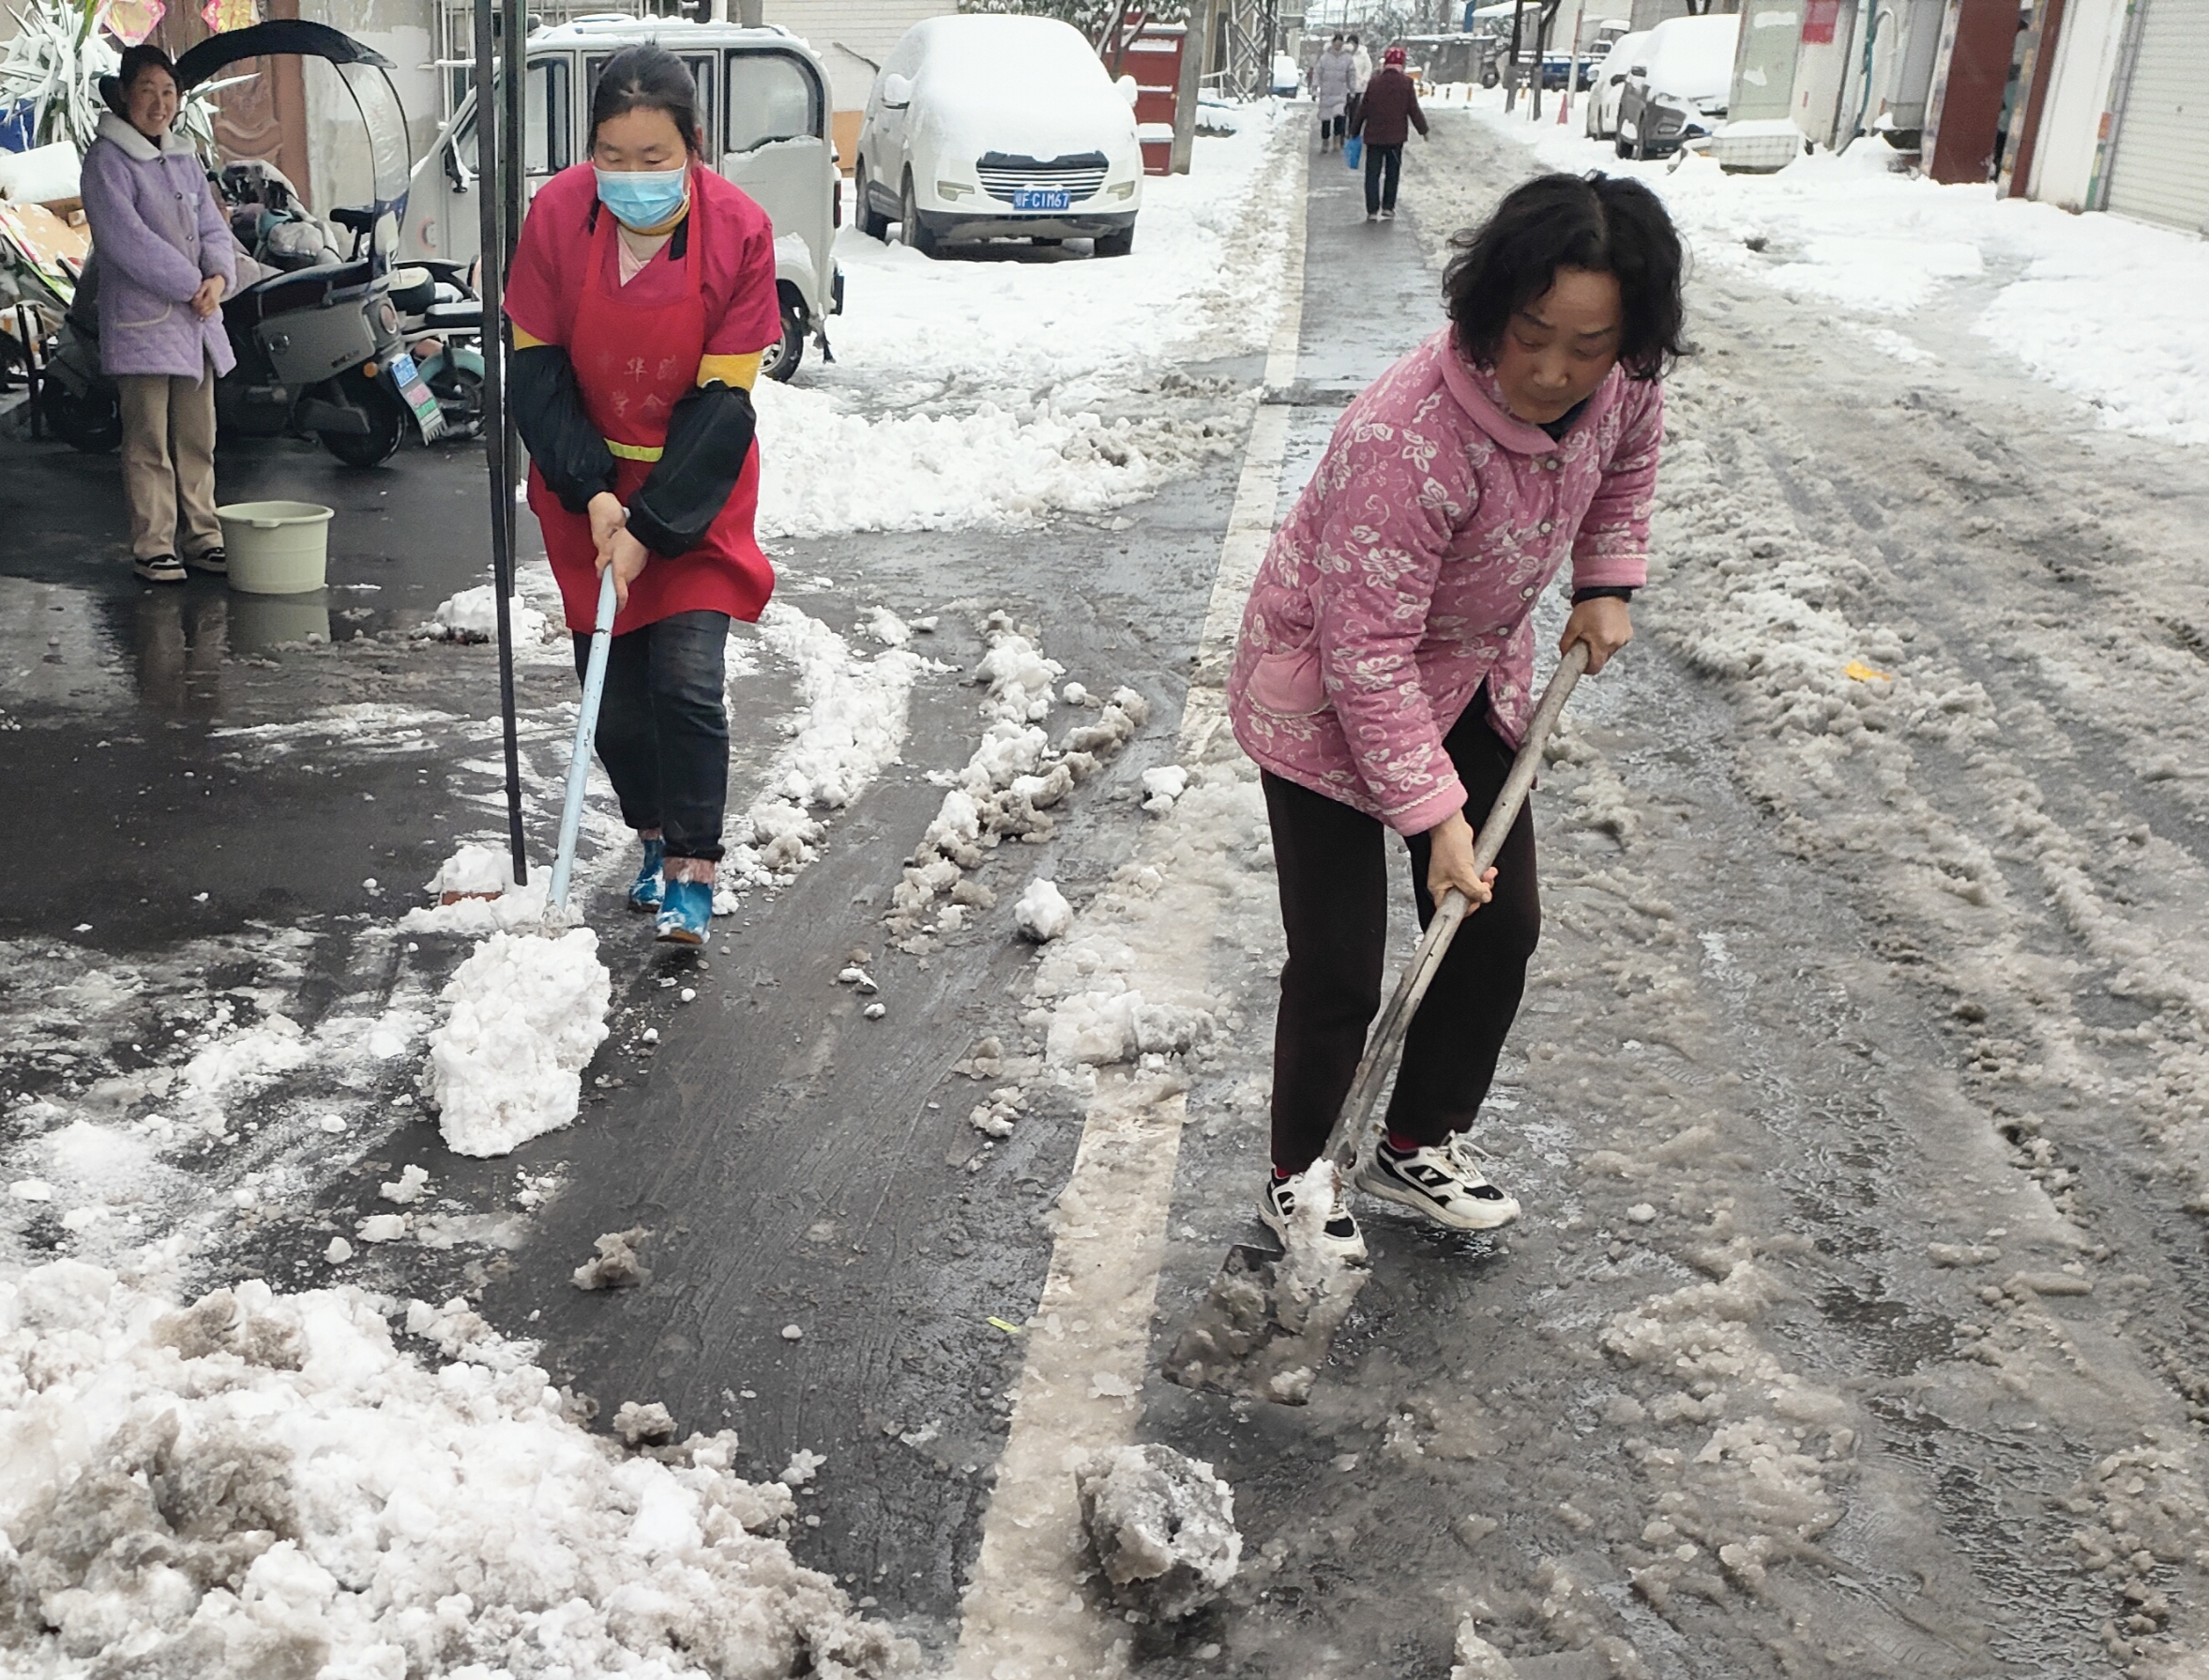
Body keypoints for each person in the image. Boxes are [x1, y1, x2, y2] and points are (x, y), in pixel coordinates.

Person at [1227, 173, 1686, 1258]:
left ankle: (1414, 1138)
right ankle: (1301, 1179)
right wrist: (1436, 822)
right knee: (1340, 967)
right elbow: (1366, 656)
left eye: (1589, 346)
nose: (1555, 371)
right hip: (1324, 700)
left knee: (1496, 927)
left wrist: (1604, 583)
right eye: (1532, 336)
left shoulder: (1620, 386)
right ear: (1490, 311)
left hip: (1469, 675)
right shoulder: (1410, 439)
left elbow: (1627, 465)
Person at [504, 44, 780, 946]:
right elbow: (537, 372)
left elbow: (724, 402)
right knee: (617, 707)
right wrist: (591, 493)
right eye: (610, 156)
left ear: (694, 145)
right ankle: (654, 837)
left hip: (694, 489)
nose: (631, 176)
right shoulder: (556, 216)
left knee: (686, 681)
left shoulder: (739, 232)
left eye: (653, 157)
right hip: (584, 486)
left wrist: (652, 524)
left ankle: (695, 867)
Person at [79, 45, 235, 585]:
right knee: (148, 440)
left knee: (197, 438)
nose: (160, 103)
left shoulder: (185, 157)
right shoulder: (107, 161)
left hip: (195, 320)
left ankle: (204, 536)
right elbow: (127, 242)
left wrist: (219, 278)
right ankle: (154, 544)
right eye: (148, 91)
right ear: (125, 95)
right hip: (145, 323)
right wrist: (193, 284)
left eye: (169, 92)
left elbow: (213, 226)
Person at [1352, 45, 1428, 222]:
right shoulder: (1406, 83)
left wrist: (1354, 130)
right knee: (1392, 173)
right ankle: (1388, 207)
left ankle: (1372, 210)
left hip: (1374, 137)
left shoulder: (1374, 82)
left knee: (1372, 173)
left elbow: (1363, 109)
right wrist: (1423, 130)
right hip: (1396, 138)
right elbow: (1413, 110)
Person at [1312, 36, 1356, 154]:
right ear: (1332, 44)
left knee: (1339, 117)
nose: (1337, 46)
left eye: (1340, 44)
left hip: (1340, 92)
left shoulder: (1347, 59)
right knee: (1325, 119)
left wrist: (1352, 90)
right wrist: (1315, 88)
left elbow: (1351, 75)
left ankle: (1337, 140)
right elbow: (1317, 73)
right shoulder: (1324, 58)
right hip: (1326, 93)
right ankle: (1325, 140)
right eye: (1336, 44)